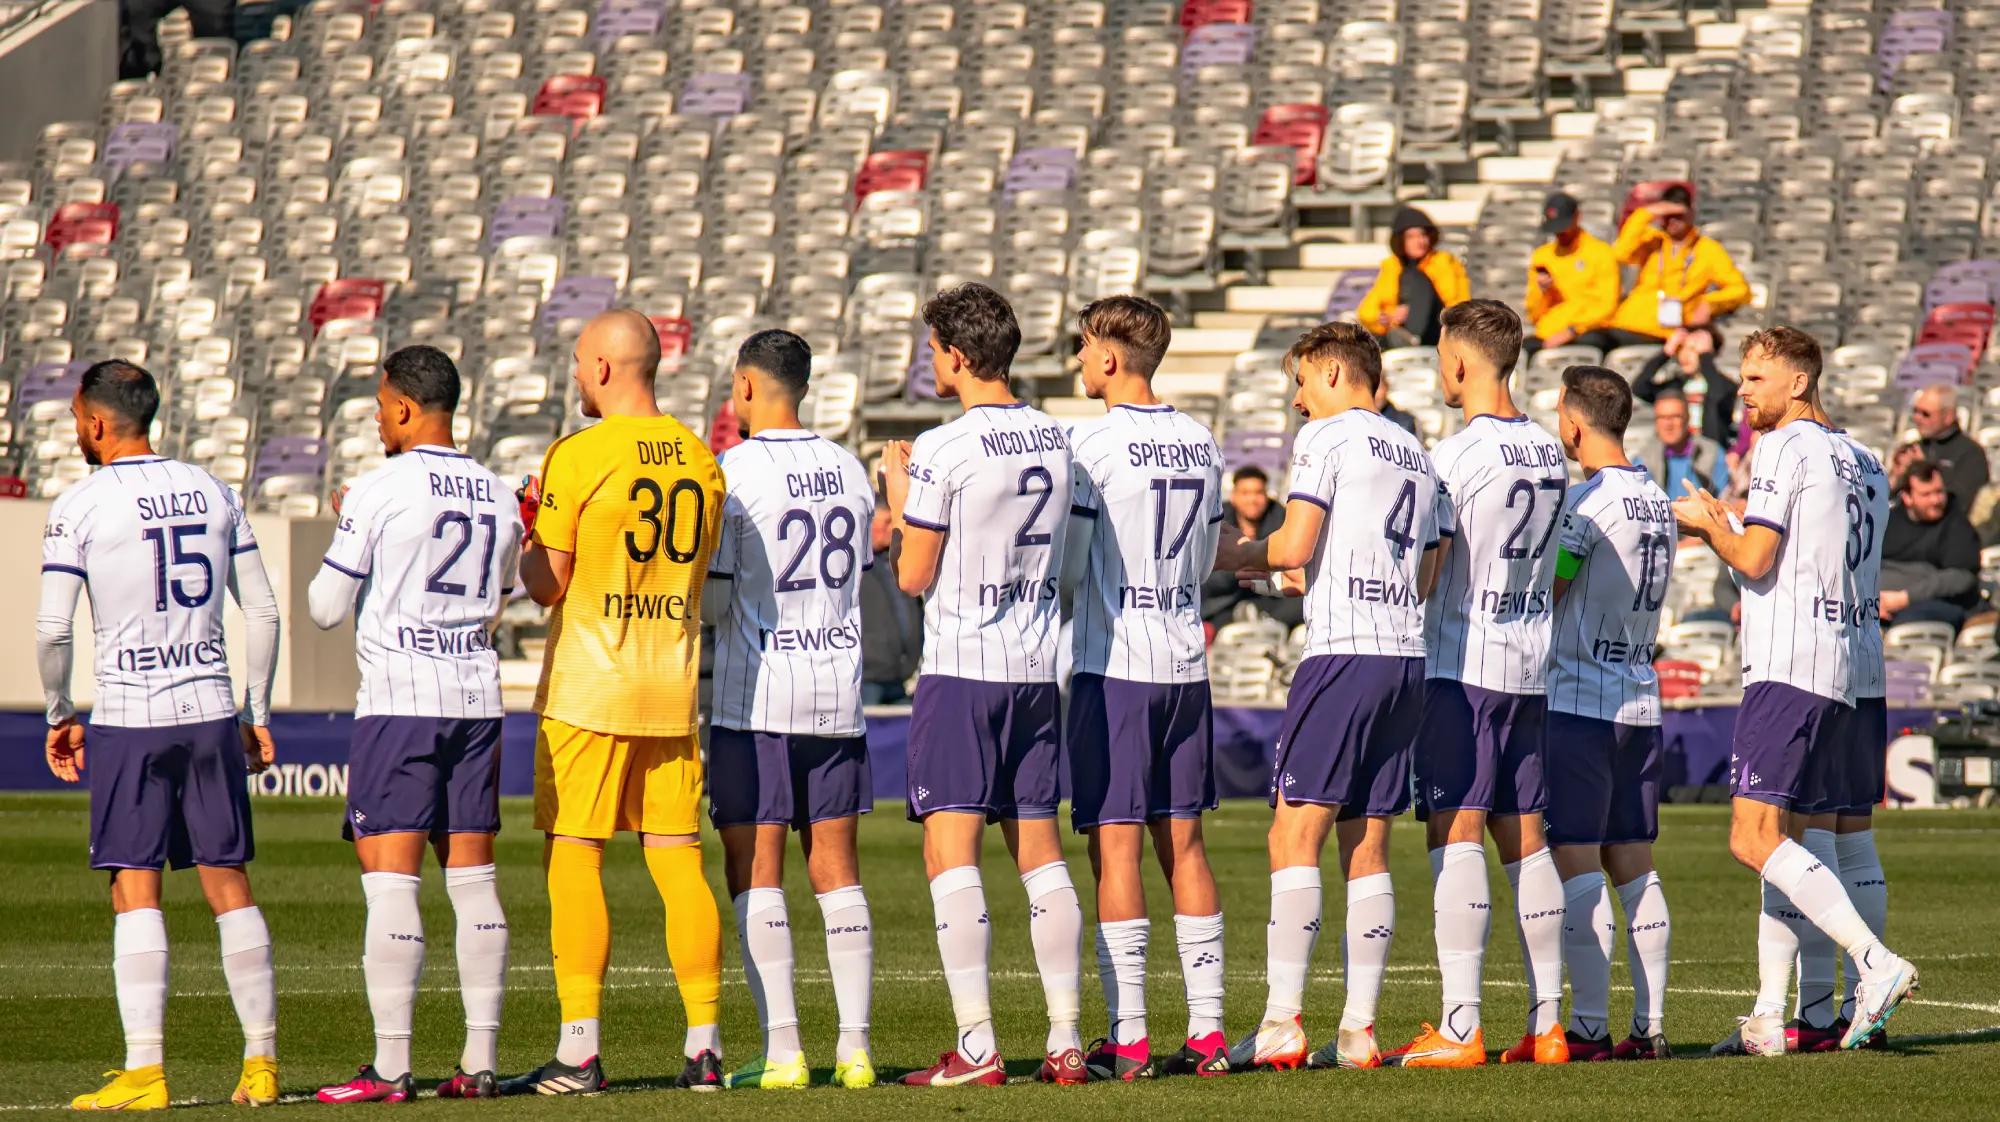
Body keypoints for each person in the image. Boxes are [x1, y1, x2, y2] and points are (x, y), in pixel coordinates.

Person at [38, 359, 281, 1110]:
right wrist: (257, 711)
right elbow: (264, 613)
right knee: (227, 880)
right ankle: (261, 1067)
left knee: (134, 885)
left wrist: (57, 712)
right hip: (209, 707)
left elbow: (52, 630)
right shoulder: (214, 490)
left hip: (130, 717)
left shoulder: (80, 505)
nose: (79, 428)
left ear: (98, 421)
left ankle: (146, 1072)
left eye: (79, 417)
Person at [1670, 326, 1920, 1055]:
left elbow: (1756, 556)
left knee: (1755, 835)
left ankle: (1873, 966)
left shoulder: (1782, 448)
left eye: (1755, 377)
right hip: (1850, 661)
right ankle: (1783, 1016)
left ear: (1799, 382)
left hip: (1789, 662)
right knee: (1826, 834)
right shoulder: (1866, 460)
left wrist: (1714, 525)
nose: (1741, 390)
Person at [508, 308, 728, 1093]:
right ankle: (704, 1046)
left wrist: (529, 532)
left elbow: (548, 584)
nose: (576, 375)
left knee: (575, 858)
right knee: (678, 863)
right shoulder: (703, 458)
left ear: (602, 367)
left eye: (576, 360)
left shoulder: (579, 453)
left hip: (590, 687)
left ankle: (578, 1052)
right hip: (670, 687)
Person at [1217, 322, 1446, 1073]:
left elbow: (1290, 545)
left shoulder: (1329, 438)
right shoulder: (1415, 448)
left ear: (1337, 375)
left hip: (1343, 654)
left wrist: (1232, 558)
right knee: (1369, 839)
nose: (1296, 399)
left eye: (1304, 382)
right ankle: (1357, 1031)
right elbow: (1430, 564)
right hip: (1403, 654)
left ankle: (1282, 1020)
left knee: (1294, 834)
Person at [879, 283, 1085, 1087]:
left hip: (965, 669)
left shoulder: (945, 448)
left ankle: (976, 1047)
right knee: (1040, 849)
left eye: (934, 347)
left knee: (950, 851)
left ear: (958, 356)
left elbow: (912, 576)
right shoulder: (1056, 438)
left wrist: (899, 502)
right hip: (1036, 669)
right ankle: (1066, 1039)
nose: (931, 360)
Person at [305, 346, 523, 1102]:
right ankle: (479, 1063)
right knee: (474, 881)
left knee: (391, 883)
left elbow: (326, 609)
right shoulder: (497, 492)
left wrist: (351, 532)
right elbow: (504, 593)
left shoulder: (377, 487)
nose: (375, 417)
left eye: (377, 405)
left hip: (400, 702)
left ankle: (393, 1068)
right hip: (475, 699)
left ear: (402, 407)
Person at [1391, 300, 1570, 1068]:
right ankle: (1550, 1024)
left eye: (1440, 355)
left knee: (1454, 829)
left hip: (1462, 666)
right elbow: (1562, 562)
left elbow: (1429, 570)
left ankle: (1461, 1024)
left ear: (1461, 362)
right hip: (1531, 667)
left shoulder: (1455, 457)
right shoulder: (1552, 454)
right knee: (1527, 840)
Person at [701, 330, 879, 1090]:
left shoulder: (732, 474)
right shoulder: (848, 466)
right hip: (837, 692)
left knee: (757, 871)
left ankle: (783, 1052)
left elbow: (712, 602)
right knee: (838, 870)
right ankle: (856, 1049)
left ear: (745, 387)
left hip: (759, 696)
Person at [1059, 296, 1228, 1081]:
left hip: (1116, 663)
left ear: (1112, 356)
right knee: (1184, 843)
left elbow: (1067, 565)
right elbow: (1210, 554)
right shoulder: (1202, 440)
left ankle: (1127, 1040)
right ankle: (1208, 1036)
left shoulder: (1089, 445)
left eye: (1086, 347)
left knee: (1116, 847)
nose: (1078, 361)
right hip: (1184, 664)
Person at [1542, 365, 1676, 1062]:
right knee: (1636, 862)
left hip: (1580, 701)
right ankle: (1649, 1028)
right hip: (1640, 698)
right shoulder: (1657, 496)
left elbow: (1552, 590)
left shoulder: (1589, 501)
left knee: (1577, 860)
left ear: (1573, 419)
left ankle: (1589, 1027)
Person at [1578, 185, 1749, 354]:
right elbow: (1620, 253)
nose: (1671, 221)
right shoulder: (1652, 240)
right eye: (1666, 216)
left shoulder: (1708, 250)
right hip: (1628, 321)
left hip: (1667, 332)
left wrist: (1709, 304)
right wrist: (1647, 213)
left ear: (1691, 213)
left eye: (1677, 215)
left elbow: (1740, 289)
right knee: (1586, 342)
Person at [1879, 460, 1983, 628]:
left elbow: (1961, 577)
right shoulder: (1888, 522)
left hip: (1934, 605)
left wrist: (1903, 599)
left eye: (1939, 492)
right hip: (1879, 602)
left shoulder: (1956, 525)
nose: (1936, 500)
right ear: (1907, 497)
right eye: (1926, 494)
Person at [1201, 467, 1303, 628]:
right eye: (1245, 493)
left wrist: (1245, 558)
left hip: (1272, 599)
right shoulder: (1218, 522)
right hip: (1227, 601)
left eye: (1258, 493)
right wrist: (1247, 562)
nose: (1252, 500)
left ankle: (1267, 623)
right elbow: (1210, 576)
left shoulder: (1281, 518)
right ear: (1234, 496)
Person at [1357, 206, 1470, 348]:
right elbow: (1366, 309)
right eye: (1411, 237)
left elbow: (1458, 304)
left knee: (1419, 280)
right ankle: (1404, 339)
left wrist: (1414, 311)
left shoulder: (1444, 262)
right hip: (1398, 330)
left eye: (1423, 235)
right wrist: (1390, 315)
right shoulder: (1392, 267)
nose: (1420, 241)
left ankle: (1413, 337)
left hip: (1437, 326)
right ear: (1401, 240)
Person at [1522, 193, 1620, 355]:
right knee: (1522, 349)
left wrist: (1573, 330)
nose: (1560, 233)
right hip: (1551, 330)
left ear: (1577, 217)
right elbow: (1534, 314)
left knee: (1591, 342)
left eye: (1563, 226)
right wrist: (1544, 291)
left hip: (1588, 329)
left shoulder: (1600, 252)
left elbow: (1607, 306)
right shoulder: (1542, 256)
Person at [1631, 325, 1740, 448]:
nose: (1685, 355)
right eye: (1681, 348)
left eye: (1693, 349)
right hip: (1677, 454)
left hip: (1710, 455)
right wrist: (1666, 352)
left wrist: (1705, 357)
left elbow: (1717, 394)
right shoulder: (1675, 385)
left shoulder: (1725, 385)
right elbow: (1640, 388)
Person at [860, 502, 922, 704]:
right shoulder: (856, 569)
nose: (892, 529)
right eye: (886, 523)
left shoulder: (896, 564)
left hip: (901, 676)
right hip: (868, 679)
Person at [1636, 388, 1729, 499]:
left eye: (1675, 416)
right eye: (1662, 417)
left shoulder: (1712, 454)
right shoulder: (1644, 458)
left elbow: (1725, 500)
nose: (1668, 424)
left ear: (1687, 418)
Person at [1910, 383, 1990, 514]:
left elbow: (1962, 503)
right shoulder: (1915, 448)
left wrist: (1924, 468)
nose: (1916, 418)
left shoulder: (1971, 454)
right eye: (1915, 411)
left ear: (1948, 416)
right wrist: (1896, 476)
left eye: (1925, 414)